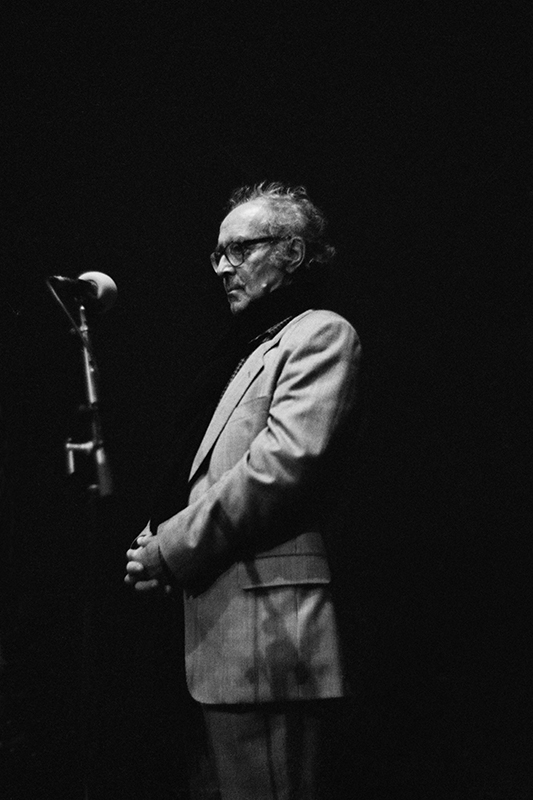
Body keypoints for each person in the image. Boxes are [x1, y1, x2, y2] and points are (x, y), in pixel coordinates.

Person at [125, 183, 362, 799]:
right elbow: (208, 469)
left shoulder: (319, 334)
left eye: (241, 249)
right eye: (218, 254)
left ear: (291, 251)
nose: (224, 268)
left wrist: (170, 546)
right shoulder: (250, 345)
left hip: (268, 633)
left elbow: (280, 466)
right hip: (214, 632)